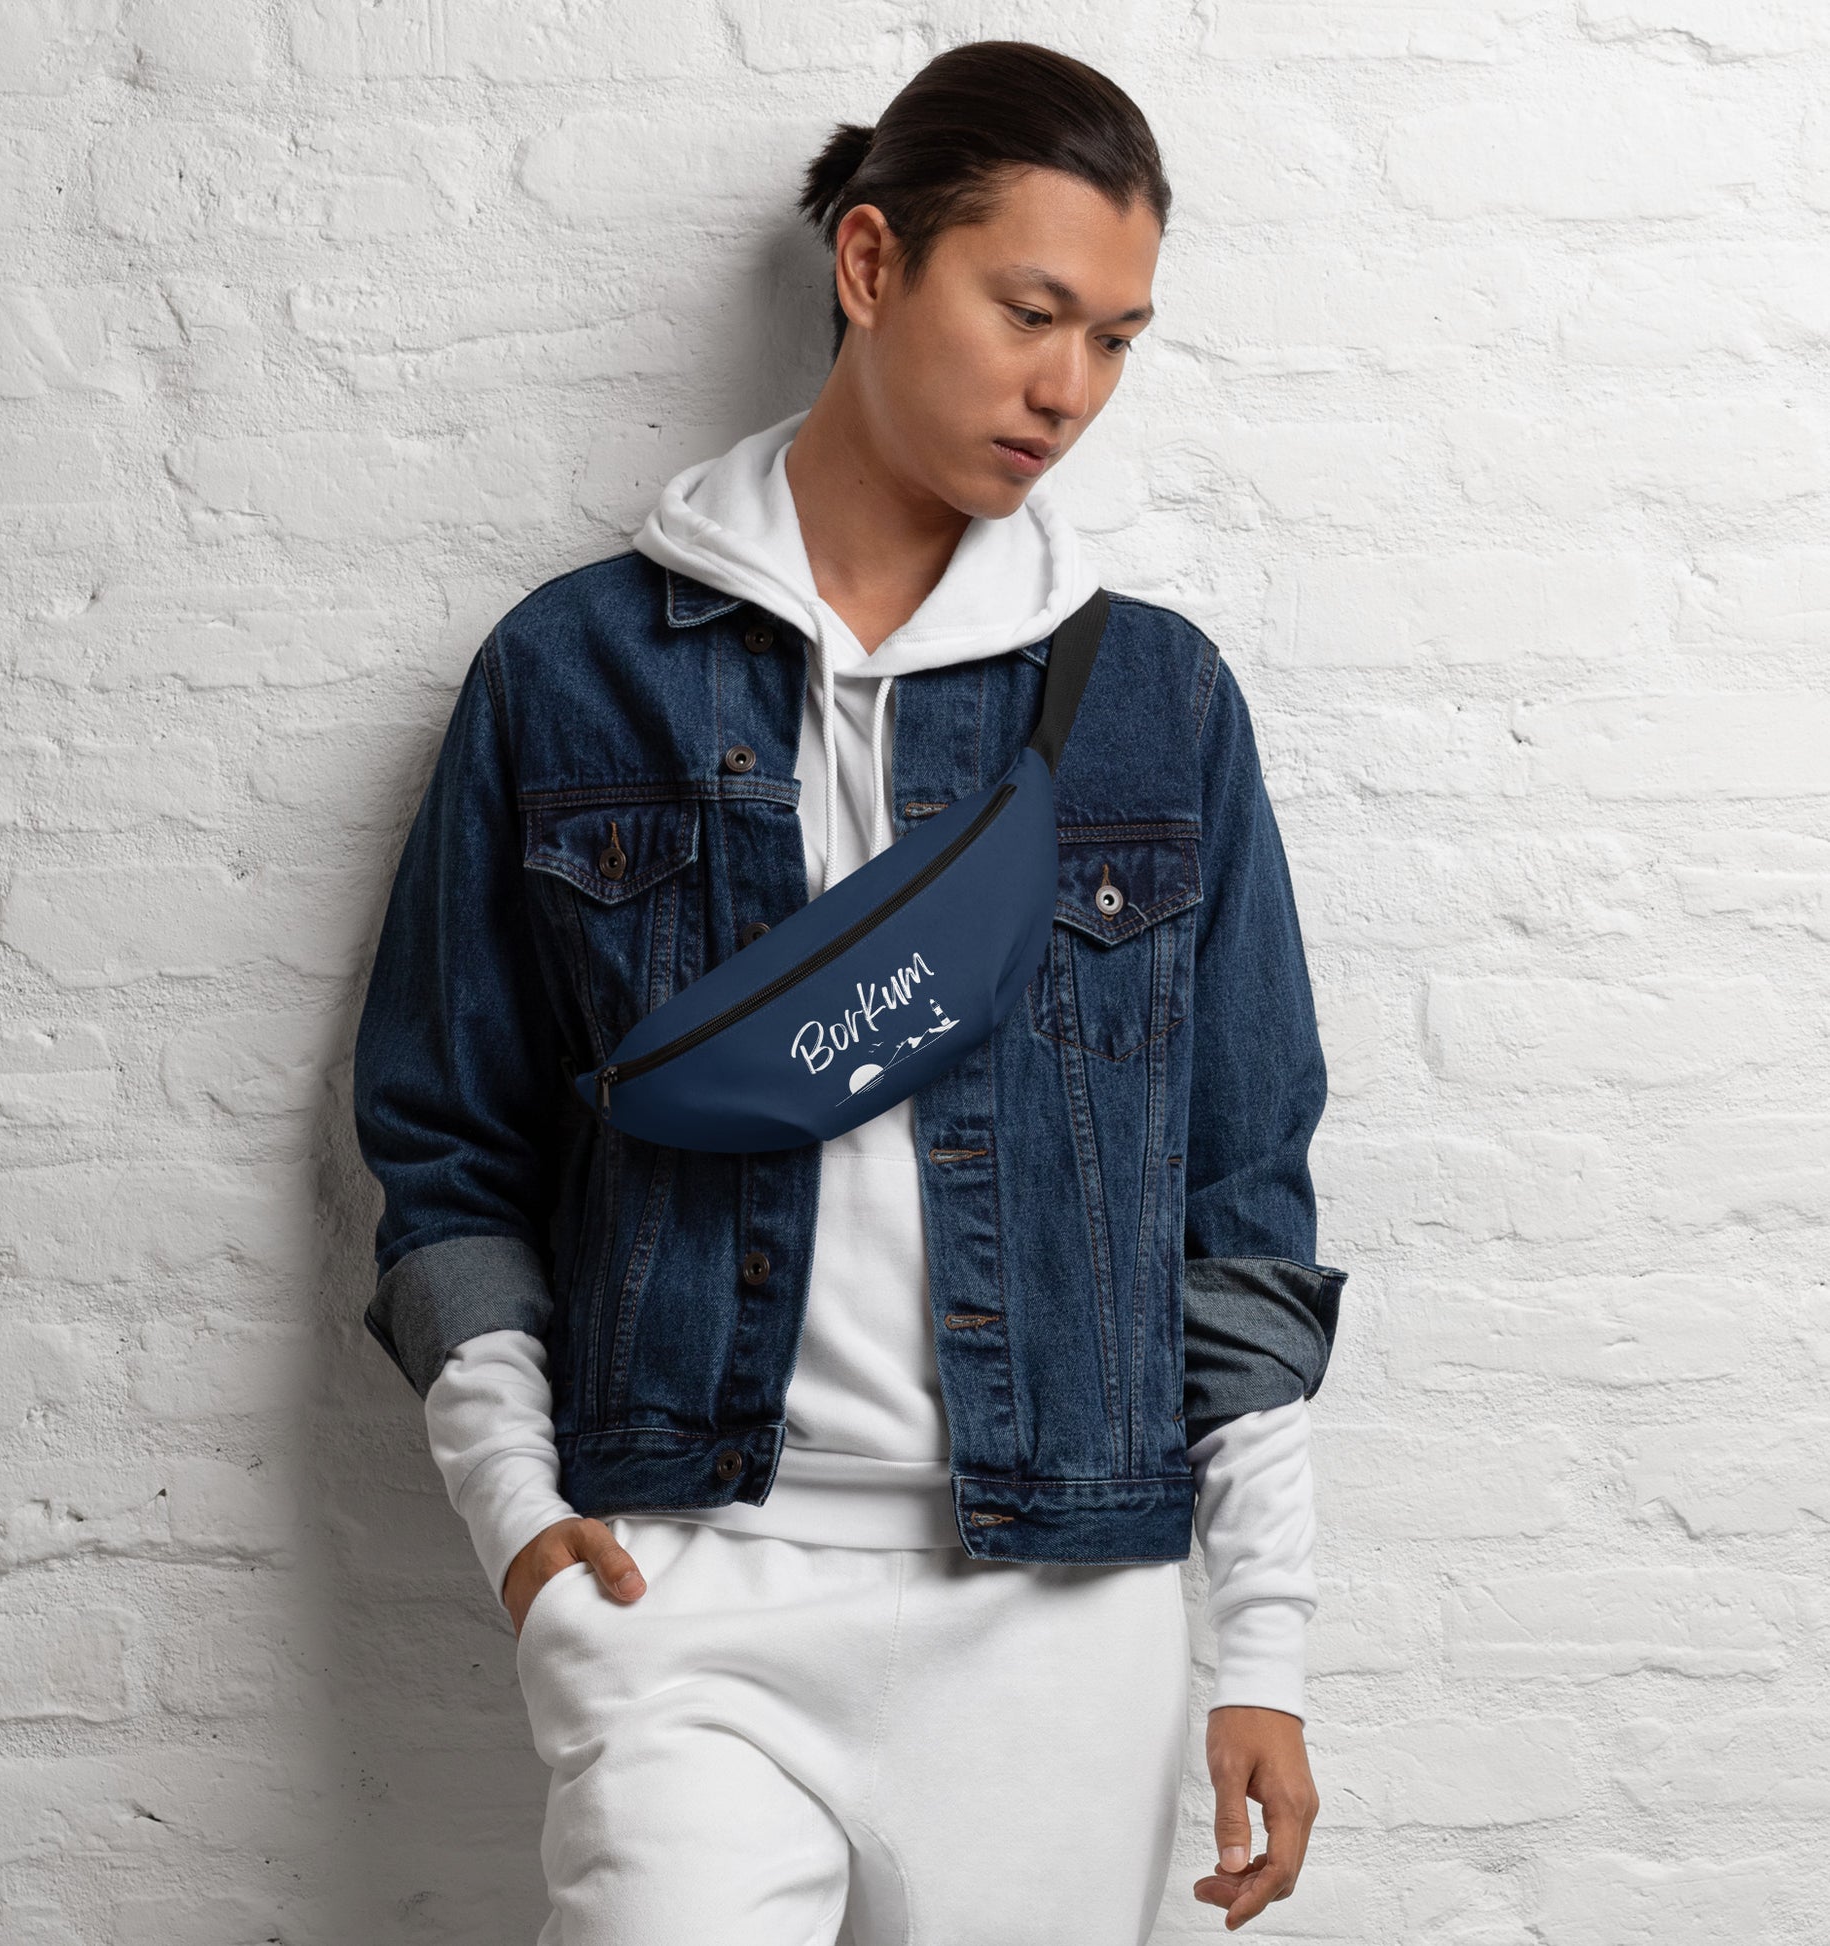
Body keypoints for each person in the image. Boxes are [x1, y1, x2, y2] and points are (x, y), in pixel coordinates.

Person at [352, 38, 1346, 1946]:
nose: (1067, 388)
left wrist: (1265, 1647)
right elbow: (445, 1140)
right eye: (1028, 313)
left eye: (1116, 339)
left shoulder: (1154, 703)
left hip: (1056, 1609)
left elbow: (1239, 1204)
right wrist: (520, 1524)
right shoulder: (573, 670)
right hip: (682, 1580)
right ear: (872, 263)